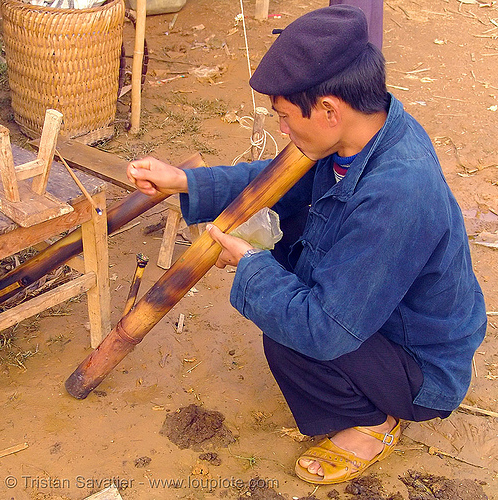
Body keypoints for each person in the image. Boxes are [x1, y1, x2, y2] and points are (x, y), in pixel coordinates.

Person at [127, 5, 487, 485]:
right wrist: (185, 182)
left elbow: (323, 330)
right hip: (386, 318)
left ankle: (374, 422)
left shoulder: (398, 192)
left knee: (291, 336)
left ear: (329, 109)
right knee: (292, 240)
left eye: (283, 116)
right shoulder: (362, 131)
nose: (282, 129)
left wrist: (252, 266)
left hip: (421, 367)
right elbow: (273, 183)